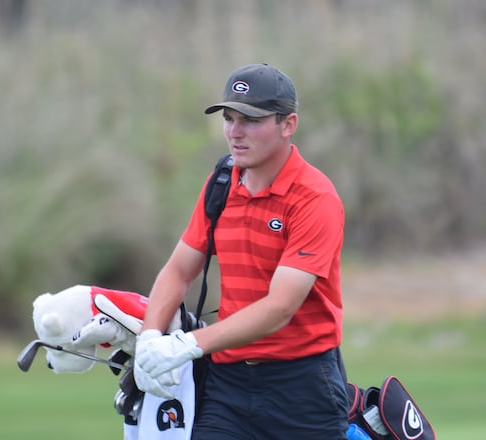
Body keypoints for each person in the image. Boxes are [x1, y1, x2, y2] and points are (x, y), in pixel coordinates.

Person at [134, 63, 348, 439]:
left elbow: (280, 307)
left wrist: (187, 344)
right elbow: (179, 271)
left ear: (288, 124)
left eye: (251, 120)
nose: (235, 132)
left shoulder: (314, 198)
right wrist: (150, 339)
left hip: (302, 388)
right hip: (227, 386)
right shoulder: (221, 183)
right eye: (229, 118)